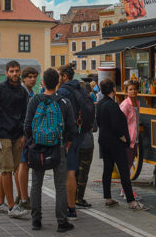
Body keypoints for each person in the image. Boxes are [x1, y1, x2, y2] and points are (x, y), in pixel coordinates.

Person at [24, 68, 76, 232]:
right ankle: (62, 221)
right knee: (60, 185)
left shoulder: (34, 100)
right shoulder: (64, 102)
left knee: (36, 184)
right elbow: (72, 128)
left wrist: (32, 141)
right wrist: (66, 144)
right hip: (57, 146)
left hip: (37, 147)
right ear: (58, 82)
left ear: (43, 82)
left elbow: (27, 125)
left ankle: (36, 221)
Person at [0, 60, 30, 219]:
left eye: (17, 71)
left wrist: (25, 134)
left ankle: (0, 203)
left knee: (10, 169)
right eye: (11, 71)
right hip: (2, 134)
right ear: (6, 73)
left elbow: (25, 114)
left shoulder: (22, 91)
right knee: (6, 170)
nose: (14, 74)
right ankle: (12, 207)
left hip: (17, 135)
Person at [96, 79, 147, 210]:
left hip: (103, 140)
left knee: (107, 169)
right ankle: (131, 201)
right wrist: (123, 137)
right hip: (115, 142)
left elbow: (99, 122)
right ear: (113, 89)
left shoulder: (100, 103)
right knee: (124, 170)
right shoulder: (112, 105)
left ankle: (107, 198)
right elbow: (116, 124)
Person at [56, 64, 92, 219]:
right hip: (81, 134)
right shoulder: (81, 89)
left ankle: (69, 208)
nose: (58, 78)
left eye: (59, 75)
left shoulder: (63, 91)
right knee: (74, 170)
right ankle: (73, 202)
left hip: (67, 137)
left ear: (64, 76)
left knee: (68, 172)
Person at [15, 66, 39, 211]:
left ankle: (20, 195)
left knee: (20, 165)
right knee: (22, 164)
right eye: (29, 76)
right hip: (23, 133)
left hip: (26, 133)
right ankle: (24, 198)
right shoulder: (23, 92)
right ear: (24, 78)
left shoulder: (31, 92)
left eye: (34, 76)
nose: (32, 79)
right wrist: (23, 133)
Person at [119, 80, 141, 202]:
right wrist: (123, 136)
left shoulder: (137, 103)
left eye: (134, 89)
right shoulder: (125, 105)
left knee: (129, 163)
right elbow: (120, 121)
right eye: (130, 89)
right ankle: (126, 190)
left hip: (135, 138)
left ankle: (125, 189)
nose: (133, 91)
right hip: (128, 139)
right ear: (126, 91)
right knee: (126, 165)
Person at [75, 81, 95, 208]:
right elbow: (95, 126)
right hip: (87, 141)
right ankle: (79, 198)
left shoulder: (73, 101)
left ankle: (71, 197)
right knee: (84, 172)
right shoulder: (89, 102)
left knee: (73, 171)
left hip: (74, 141)